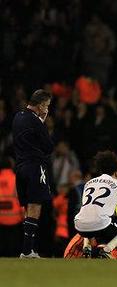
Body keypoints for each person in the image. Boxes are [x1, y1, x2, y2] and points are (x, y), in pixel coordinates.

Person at [74, 151, 117, 259]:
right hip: (101, 224)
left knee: (92, 215)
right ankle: (107, 250)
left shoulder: (89, 182)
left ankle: (86, 247)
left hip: (79, 225)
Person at [12, 89, 53, 258]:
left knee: (28, 209)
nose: (47, 109)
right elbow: (49, 147)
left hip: (20, 167)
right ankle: (27, 250)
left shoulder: (17, 117)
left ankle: (29, 249)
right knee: (35, 205)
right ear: (41, 105)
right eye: (47, 105)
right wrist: (42, 123)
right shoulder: (36, 121)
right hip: (35, 166)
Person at [0, 157, 24, 257]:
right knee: (13, 245)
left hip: (1, 218)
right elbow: (21, 199)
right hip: (14, 218)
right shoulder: (16, 179)